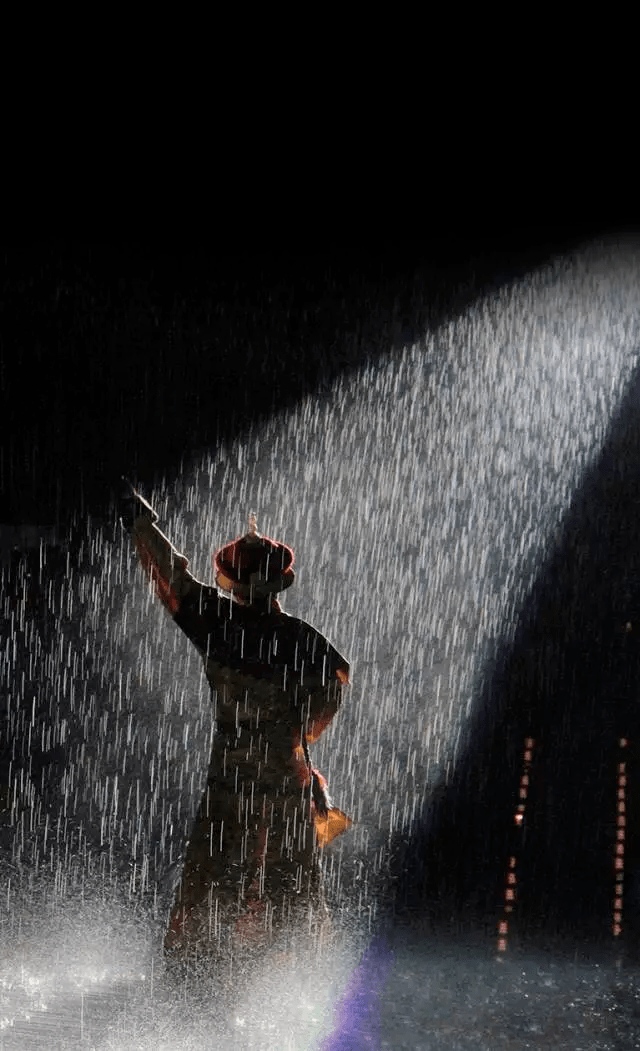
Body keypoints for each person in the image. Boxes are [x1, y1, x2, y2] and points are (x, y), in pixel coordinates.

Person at [119, 481, 351, 962]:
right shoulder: (306, 642)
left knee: (212, 882)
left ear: (233, 583)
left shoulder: (217, 624)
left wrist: (142, 521)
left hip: (230, 780)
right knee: (288, 888)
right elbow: (325, 706)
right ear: (279, 584)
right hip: (286, 783)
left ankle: (198, 977)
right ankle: (284, 977)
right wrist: (295, 736)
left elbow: (170, 575)